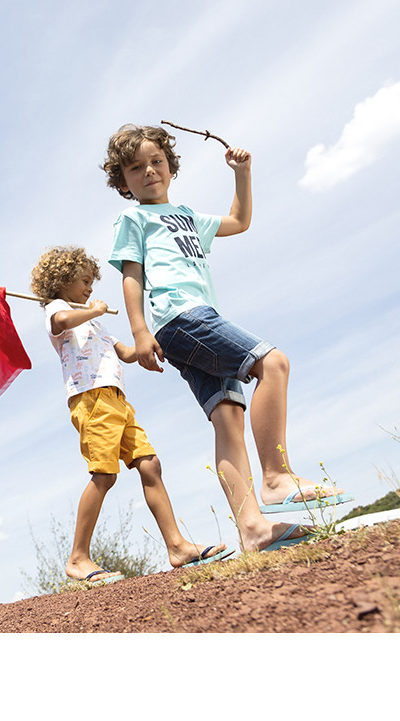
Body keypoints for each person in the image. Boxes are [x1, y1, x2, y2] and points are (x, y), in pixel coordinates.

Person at [102, 124, 351, 553]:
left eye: (156, 161)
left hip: (198, 317)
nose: (148, 172)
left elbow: (239, 220)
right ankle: (276, 476)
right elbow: (131, 274)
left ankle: (252, 528)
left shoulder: (188, 216)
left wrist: (242, 173)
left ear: (171, 165)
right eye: (135, 168)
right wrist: (140, 331)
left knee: (228, 417)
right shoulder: (134, 218)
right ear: (123, 182)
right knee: (273, 363)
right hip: (179, 317)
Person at [30, 245, 230, 584]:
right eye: (84, 280)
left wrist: (150, 347)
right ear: (62, 281)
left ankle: (177, 546)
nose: (90, 288)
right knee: (105, 475)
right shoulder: (59, 308)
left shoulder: (97, 324)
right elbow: (62, 321)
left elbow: (124, 352)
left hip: (118, 400)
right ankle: (78, 558)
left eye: (92, 282)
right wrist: (93, 311)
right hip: (91, 400)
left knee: (149, 463)